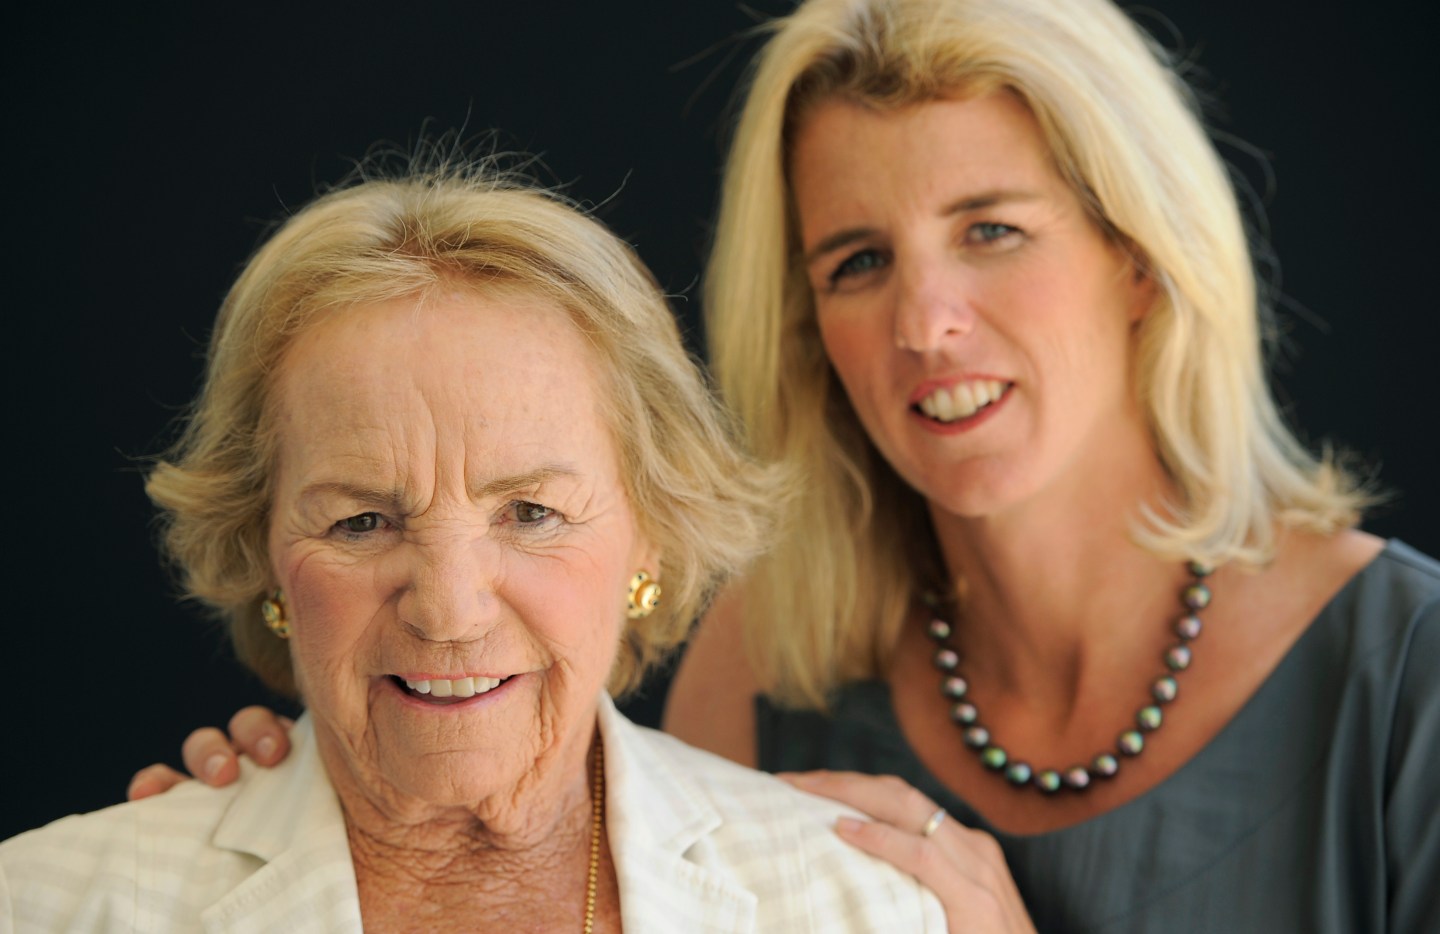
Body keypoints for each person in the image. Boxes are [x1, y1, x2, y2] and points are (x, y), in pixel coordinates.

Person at [128, 0, 1440, 930]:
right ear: (808, 326)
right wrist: (304, 824)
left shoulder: (1407, 672)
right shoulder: (764, 657)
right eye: (857, 262)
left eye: (991, 230)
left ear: (1141, 258)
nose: (926, 321)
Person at [0, 165, 947, 932]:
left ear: (649, 540)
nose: (449, 609)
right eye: (362, 522)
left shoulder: (854, 906)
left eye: (531, 512)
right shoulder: (48, 906)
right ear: (264, 555)